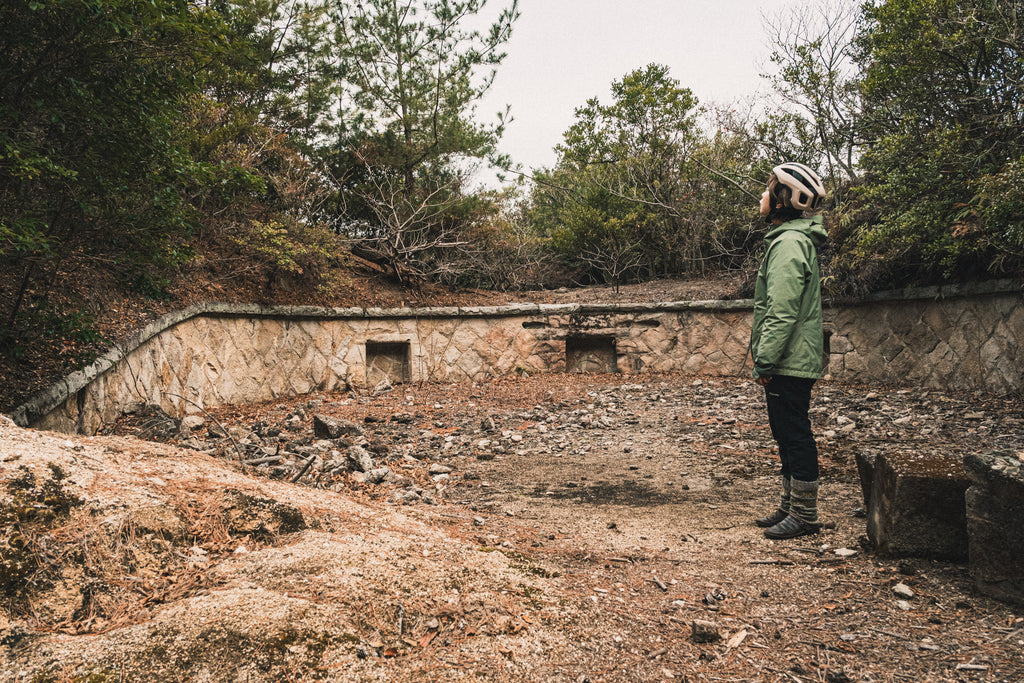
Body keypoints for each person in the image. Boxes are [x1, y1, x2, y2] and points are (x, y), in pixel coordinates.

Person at [750, 162, 828, 540]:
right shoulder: (790, 240)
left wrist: (765, 360)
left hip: (789, 360)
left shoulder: (788, 244)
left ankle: (805, 514)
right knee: (784, 431)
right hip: (791, 358)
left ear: (782, 198)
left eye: (767, 190)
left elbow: (781, 311)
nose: (762, 196)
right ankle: (790, 504)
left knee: (794, 433)